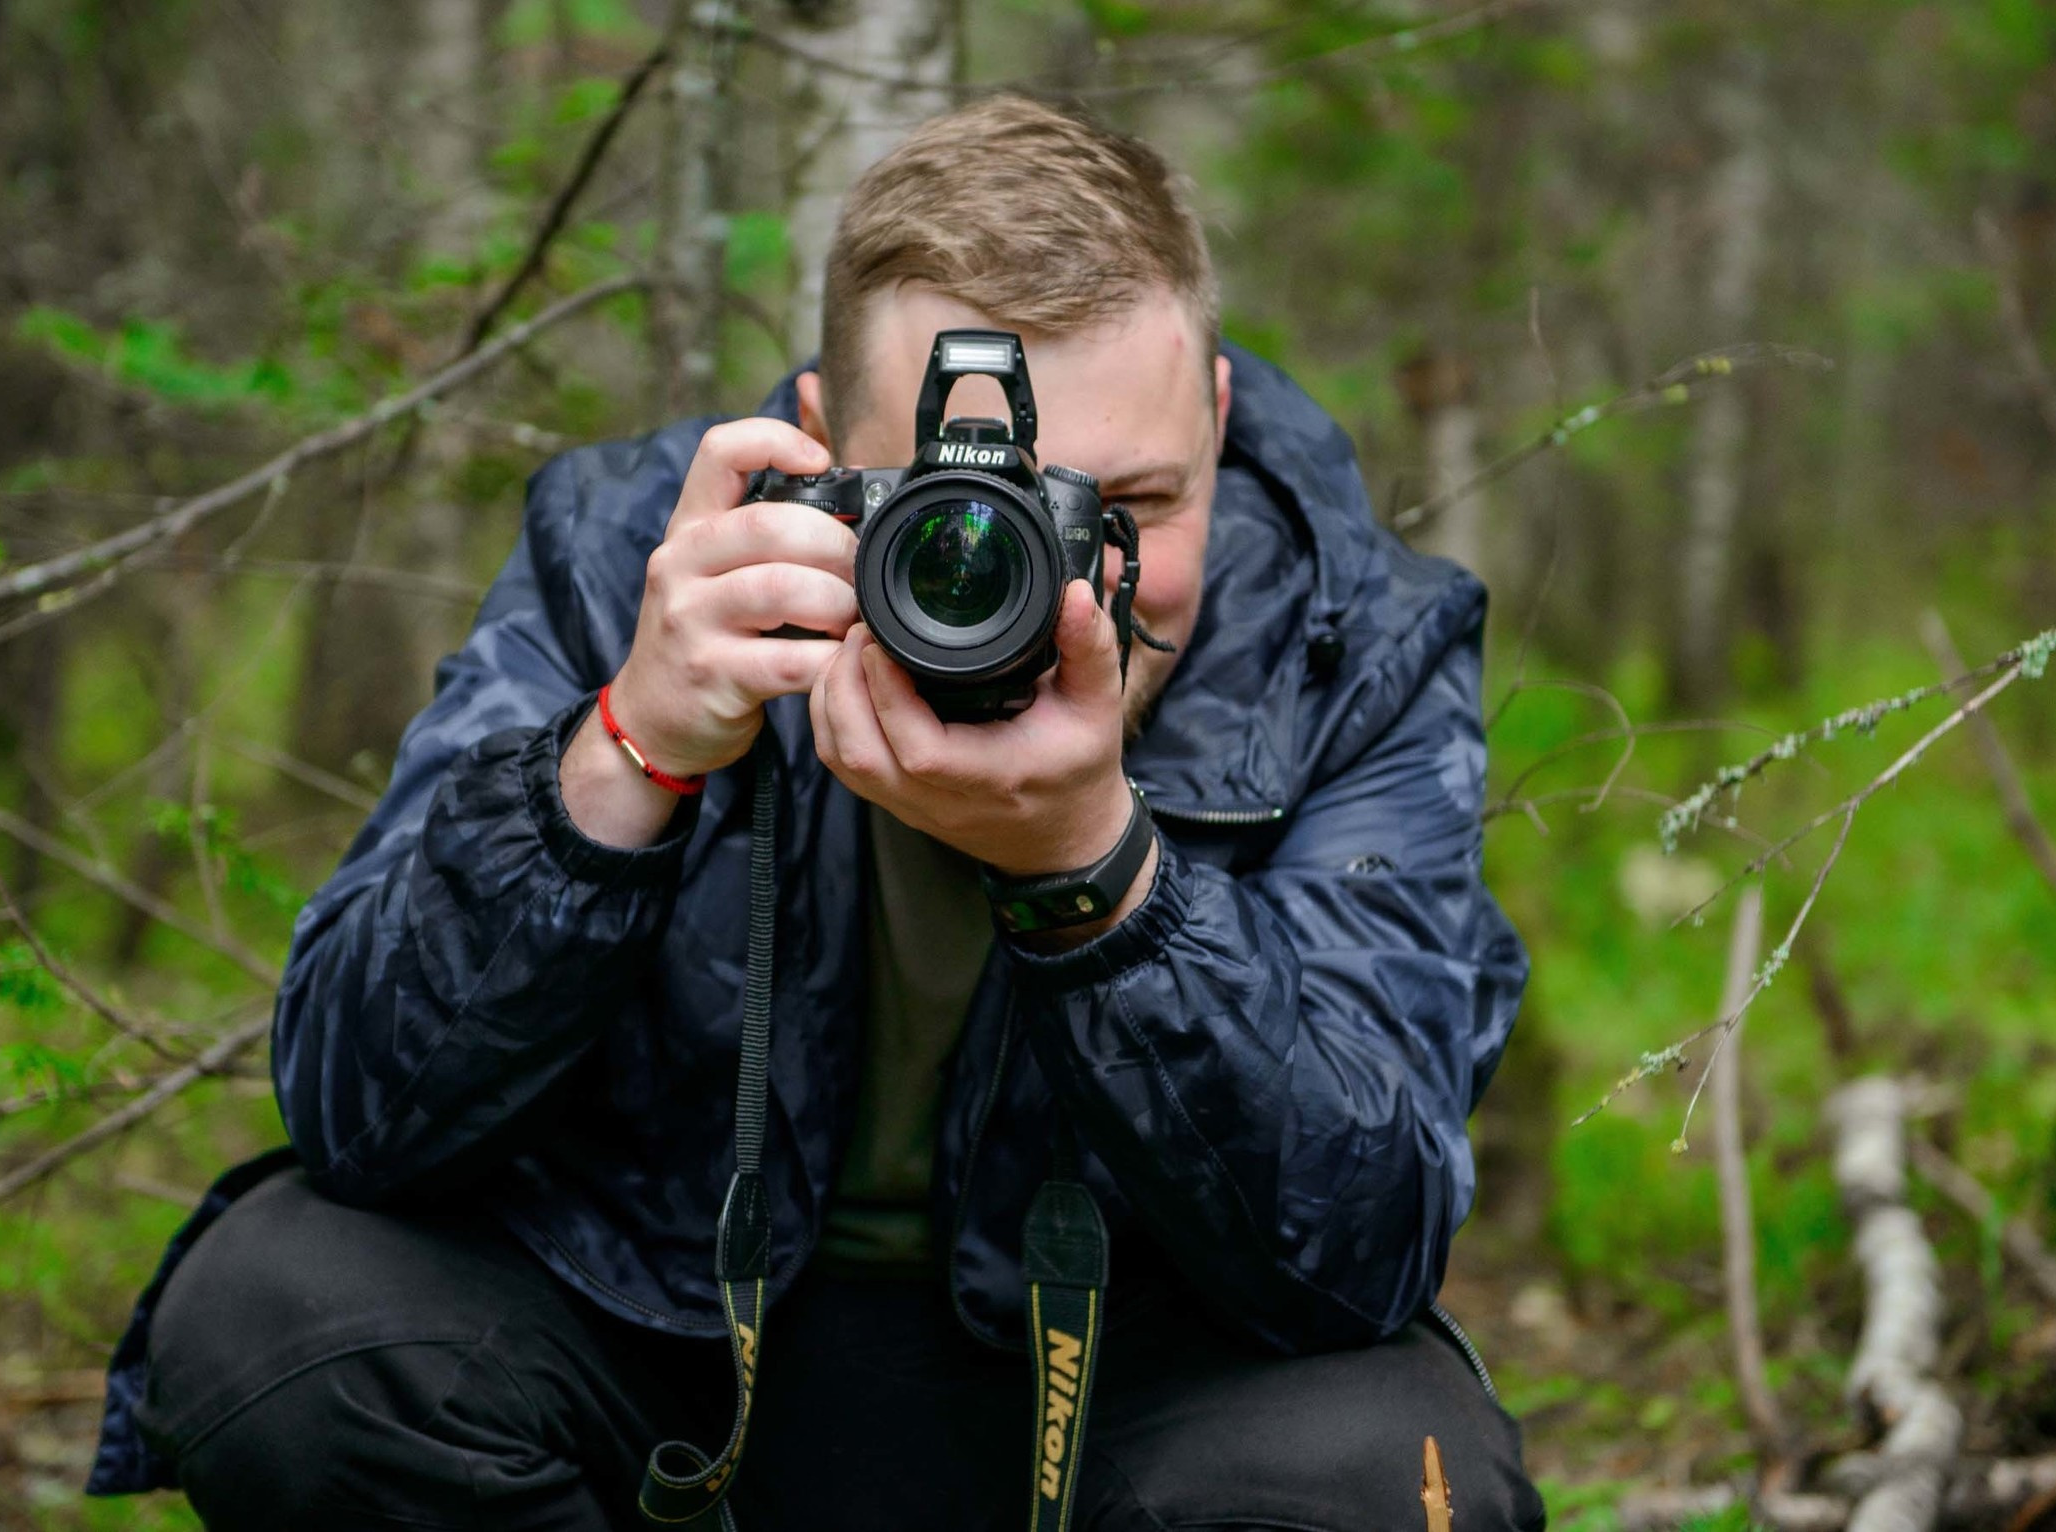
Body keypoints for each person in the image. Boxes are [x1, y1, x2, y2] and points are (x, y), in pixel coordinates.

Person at [85, 93, 1546, 1532]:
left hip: (1128, 1389)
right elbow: (357, 1114)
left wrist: (1098, 877)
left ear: (1220, 418)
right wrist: (628, 754)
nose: (1060, 578)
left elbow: (1362, 1241)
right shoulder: (637, 559)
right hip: (672, 1347)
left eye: (1136, 508)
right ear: (815, 441)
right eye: (964, 518)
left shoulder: (1358, 641)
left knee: (1386, 1478)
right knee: (280, 1311)